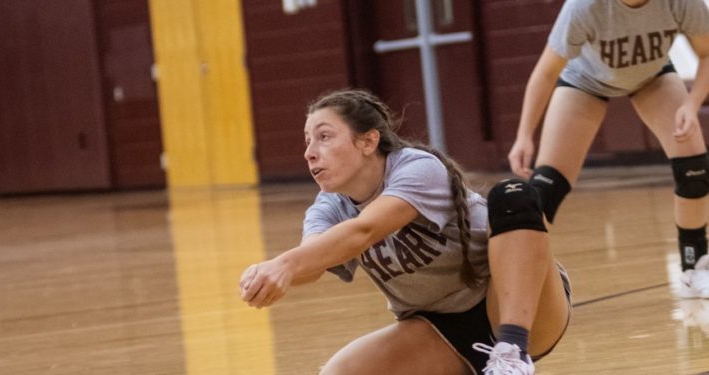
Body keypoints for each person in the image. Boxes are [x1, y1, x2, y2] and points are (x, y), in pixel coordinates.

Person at [239, 89, 572, 374]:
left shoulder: (415, 167)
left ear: (368, 141)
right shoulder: (329, 207)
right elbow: (312, 257)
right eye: (308, 141)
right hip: (441, 329)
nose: (310, 151)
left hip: (519, 306)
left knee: (513, 193)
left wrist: (285, 265)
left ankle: (512, 355)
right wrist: (274, 275)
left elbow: (365, 229)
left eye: (324, 136)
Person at [507, 0, 709, 298]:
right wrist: (524, 135)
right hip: (585, 81)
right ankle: (512, 283)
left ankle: (694, 269)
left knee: (694, 171)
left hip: (652, 77)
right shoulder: (583, 7)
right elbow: (546, 73)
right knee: (545, 188)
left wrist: (691, 105)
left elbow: (706, 52)